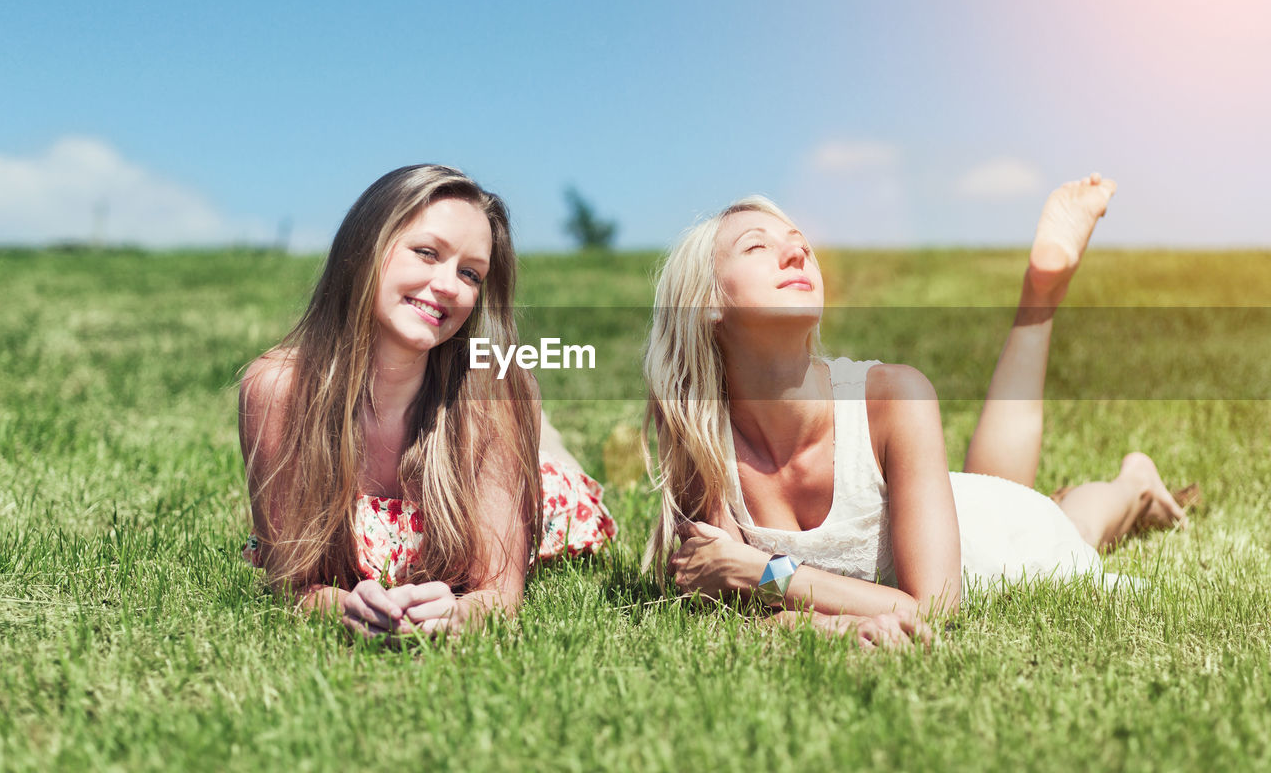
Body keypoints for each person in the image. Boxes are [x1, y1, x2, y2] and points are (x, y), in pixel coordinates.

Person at [642, 175, 1191, 649]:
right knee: (986, 488)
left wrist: (767, 573)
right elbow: (728, 609)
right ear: (707, 302)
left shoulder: (893, 396)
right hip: (946, 510)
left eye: (800, 243)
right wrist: (822, 627)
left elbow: (933, 609)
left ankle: (1132, 481)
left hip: (1001, 546)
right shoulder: (702, 436)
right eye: (757, 247)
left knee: (1067, 525)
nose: (796, 254)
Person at [240, 165, 615, 639]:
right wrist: (341, 608)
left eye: (470, 274)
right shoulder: (278, 389)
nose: (449, 287)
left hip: (513, 464)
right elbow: (291, 580)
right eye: (426, 253)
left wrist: (460, 613)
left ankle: (544, 439)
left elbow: (499, 591)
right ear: (365, 250)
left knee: (552, 463)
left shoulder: (492, 391)